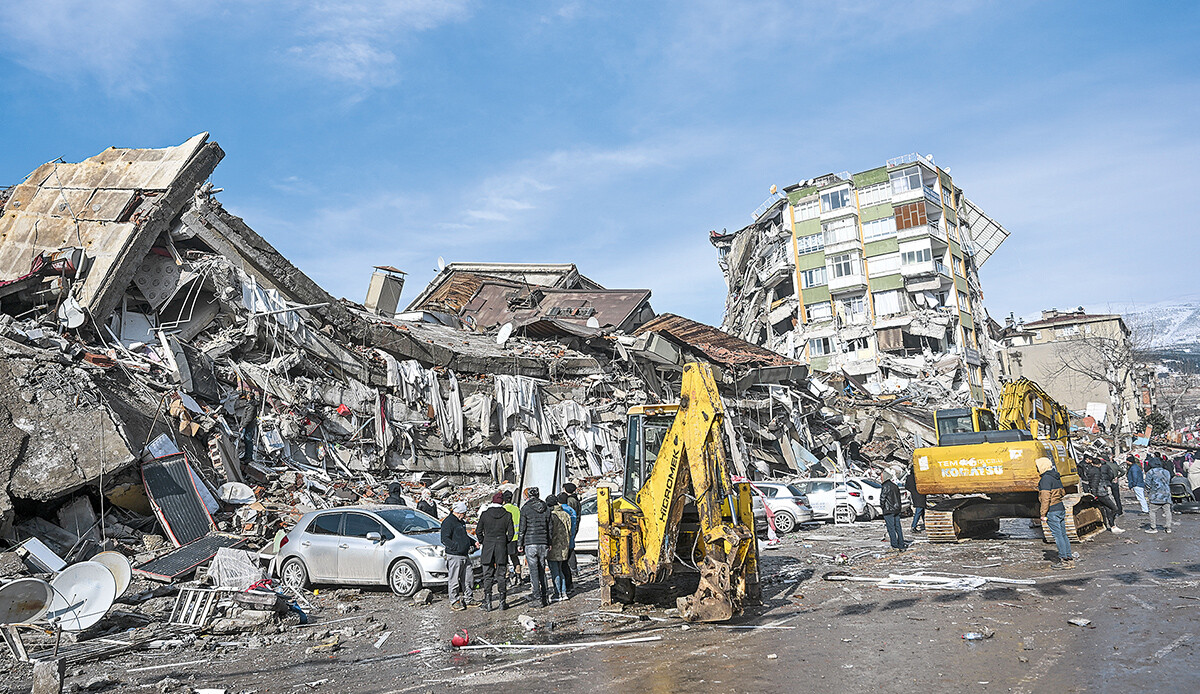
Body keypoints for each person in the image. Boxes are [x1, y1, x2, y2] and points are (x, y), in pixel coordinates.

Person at [476, 492, 514, 611]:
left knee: (487, 575)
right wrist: (504, 541)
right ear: (502, 502)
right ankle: (502, 603)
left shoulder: (485, 514)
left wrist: (484, 541)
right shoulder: (507, 515)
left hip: (488, 547)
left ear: (492, 501)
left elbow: (478, 531)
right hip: (501, 547)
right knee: (501, 575)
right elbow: (511, 534)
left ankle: (488, 603)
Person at [1037, 457, 1074, 569]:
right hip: (1060, 508)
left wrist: (1043, 514)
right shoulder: (1056, 476)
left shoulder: (1045, 479)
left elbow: (1045, 499)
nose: (1037, 469)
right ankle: (1069, 559)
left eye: (1037, 467)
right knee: (1063, 534)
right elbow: (1063, 492)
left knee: (1057, 536)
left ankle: (1064, 561)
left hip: (1052, 510)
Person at [519, 487, 553, 607]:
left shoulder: (525, 508)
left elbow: (522, 528)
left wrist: (520, 543)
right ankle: (545, 597)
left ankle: (537, 599)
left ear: (528, 496)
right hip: (543, 542)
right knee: (542, 569)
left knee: (533, 571)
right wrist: (549, 542)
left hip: (530, 543)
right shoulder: (546, 508)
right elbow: (550, 527)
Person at [440, 501, 478, 610]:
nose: (465, 515)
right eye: (464, 513)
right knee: (454, 579)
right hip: (454, 555)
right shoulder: (448, 522)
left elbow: (464, 536)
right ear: (459, 512)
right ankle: (454, 601)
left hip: (465, 555)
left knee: (468, 578)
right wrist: (456, 547)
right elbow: (444, 539)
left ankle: (468, 599)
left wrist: (472, 542)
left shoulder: (461, 522)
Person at [1082, 455, 1124, 533]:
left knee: (1107, 509)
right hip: (1101, 493)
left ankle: (1112, 526)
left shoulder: (1091, 470)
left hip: (1099, 492)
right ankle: (1112, 525)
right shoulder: (1097, 471)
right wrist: (1095, 494)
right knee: (1114, 508)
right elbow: (1095, 483)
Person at [546, 494, 572, 601]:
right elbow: (570, 530)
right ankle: (564, 592)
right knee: (561, 570)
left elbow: (549, 532)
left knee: (555, 571)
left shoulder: (551, 515)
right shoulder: (566, 514)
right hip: (564, 546)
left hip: (553, 547)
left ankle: (558, 593)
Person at [879, 470, 906, 550]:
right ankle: (901, 543)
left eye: (881, 477)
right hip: (896, 510)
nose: (881, 478)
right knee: (898, 528)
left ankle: (894, 545)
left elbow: (882, 498)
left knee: (891, 529)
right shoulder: (895, 485)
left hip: (889, 510)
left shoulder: (885, 486)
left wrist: (882, 507)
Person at [1145, 458, 1173, 534]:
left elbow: (1147, 484)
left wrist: (1149, 492)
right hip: (1166, 494)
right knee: (1167, 511)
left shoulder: (1150, 472)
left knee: (1152, 511)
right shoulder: (1166, 472)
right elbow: (1168, 481)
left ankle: (1153, 528)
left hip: (1155, 495)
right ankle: (1168, 528)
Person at [561, 483, 582, 578]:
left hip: (571, 526)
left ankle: (572, 569)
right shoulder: (575, 499)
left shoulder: (570, 501)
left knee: (569, 547)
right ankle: (573, 568)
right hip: (574, 525)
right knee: (571, 546)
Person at [502, 490, 522, 584]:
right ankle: (518, 576)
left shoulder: (503, 509)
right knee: (515, 558)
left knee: (504, 559)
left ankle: (507, 578)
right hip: (516, 538)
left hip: (506, 538)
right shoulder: (516, 509)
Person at [905, 465, 926, 533]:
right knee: (919, 511)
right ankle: (913, 526)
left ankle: (926, 524)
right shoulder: (919, 477)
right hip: (921, 495)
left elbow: (907, 487)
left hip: (915, 496)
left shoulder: (909, 477)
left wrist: (913, 491)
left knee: (922, 511)